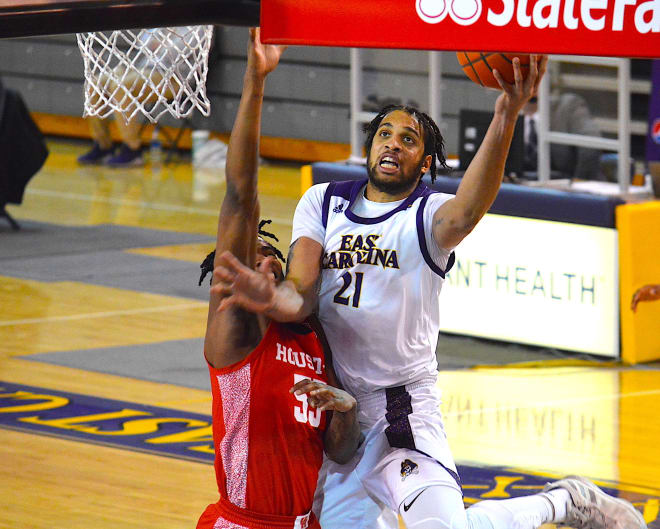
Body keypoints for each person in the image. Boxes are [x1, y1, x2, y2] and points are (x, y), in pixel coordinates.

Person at [212, 54, 646, 529]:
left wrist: (505, 114)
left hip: (400, 410)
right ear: (368, 145)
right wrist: (270, 297)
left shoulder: (427, 212)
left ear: (425, 162)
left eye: (409, 139)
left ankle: (564, 501)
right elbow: (301, 294)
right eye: (385, 134)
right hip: (334, 414)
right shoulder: (323, 200)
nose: (393, 144)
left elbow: (467, 212)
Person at [195, 28, 361, 529]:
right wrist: (255, 80)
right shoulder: (240, 333)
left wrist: (346, 410)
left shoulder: (311, 335)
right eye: (253, 258)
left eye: (273, 258)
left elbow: (340, 448)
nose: (265, 263)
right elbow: (241, 197)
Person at [77, 26, 209, 168]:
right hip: (145, 69)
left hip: (175, 78)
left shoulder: (200, 22)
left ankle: (132, 150)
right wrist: (160, 43)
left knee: (120, 86)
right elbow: (142, 41)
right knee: (94, 83)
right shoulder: (168, 12)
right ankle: (103, 145)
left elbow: (178, 52)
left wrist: (160, 45)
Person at [522, 92, 602, 180]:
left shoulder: (568, 106)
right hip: (518, 188)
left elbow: (590, 145)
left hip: (568, 185)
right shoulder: (506, 113)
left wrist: (578, 182)